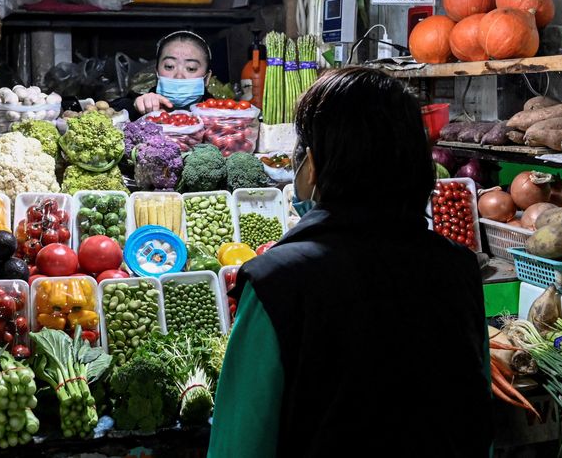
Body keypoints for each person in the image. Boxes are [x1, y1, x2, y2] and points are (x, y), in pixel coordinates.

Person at [208, 66, 493, 458]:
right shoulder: (458, 268)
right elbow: (476, 420)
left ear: (311, 164)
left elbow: (239, 445)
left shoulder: (276, 283)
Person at [129, 30, 213, 117]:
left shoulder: (221, 116)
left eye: (191, 68)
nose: (179, 76)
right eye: (169, 66)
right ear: (156, 73)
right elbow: (117, 106)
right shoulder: (136, 105)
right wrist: (135, 106)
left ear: (207, 79)